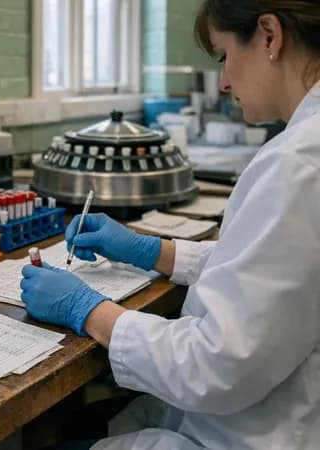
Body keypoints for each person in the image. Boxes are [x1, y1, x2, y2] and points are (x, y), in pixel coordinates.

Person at [20, 1, 320, 448]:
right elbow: (272, 273)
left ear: (270, 36)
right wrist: (151, 250)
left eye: (223, 56)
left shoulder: (299, 165)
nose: (223, 81)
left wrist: (88, 310)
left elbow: (216, 365)